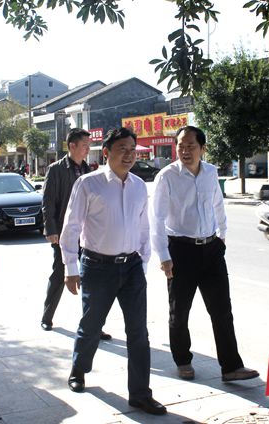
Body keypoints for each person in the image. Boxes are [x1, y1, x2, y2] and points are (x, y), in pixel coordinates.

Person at [60, 127, 166, 415]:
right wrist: (70, 267)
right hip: (97, 267)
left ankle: (140, 394)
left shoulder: (139, 186)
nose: (129, 155)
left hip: (131, 267)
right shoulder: (88, 183)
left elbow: (143, 227)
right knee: (91, 325)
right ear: (106, 152)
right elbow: (71, 226)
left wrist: (142, 262)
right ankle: (79, 369)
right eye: (122, 149)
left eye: (132, 150)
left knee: (138, 332)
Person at [149, 125, 259, 383]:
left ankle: (231, 367)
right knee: (179, 311)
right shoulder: (167, 176)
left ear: (202, 148)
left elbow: (218, 204)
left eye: (191, 146)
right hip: (180, 250)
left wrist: (222, 236)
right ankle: (183, 360)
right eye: (181, 145)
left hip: (211, 249)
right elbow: (156, 218)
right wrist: (163, 255)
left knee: (222, 310)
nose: (185, 150)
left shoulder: (210, 172)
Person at [40, 128, 111, 340]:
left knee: (92, 278)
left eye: (89, 146)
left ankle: (94, 325)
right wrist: (51, 229)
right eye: (84, 146)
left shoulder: (89, 170)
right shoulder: (56, 169)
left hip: (88, 233)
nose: (88, 149)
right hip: (65, 232)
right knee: (59, 274)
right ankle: (47, 317)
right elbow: (48, 202)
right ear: (72, 146)